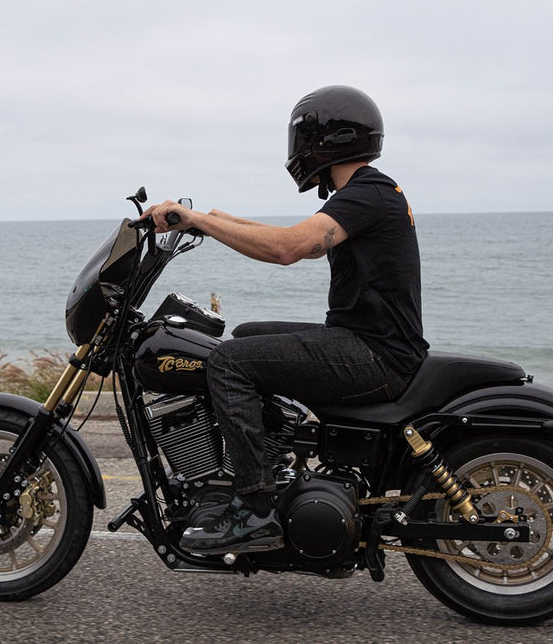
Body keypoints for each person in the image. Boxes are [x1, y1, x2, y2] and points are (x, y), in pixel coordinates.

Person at [141, 85, 428, 555]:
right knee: (245, 336)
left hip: (375, 355)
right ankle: (271, 460)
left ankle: (254, 508)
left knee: (229, 362)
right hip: (370, 343)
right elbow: (295, 237)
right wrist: (224, 220)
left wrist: (196, 220)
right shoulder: (369, 191)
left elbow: (288, 248)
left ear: (326, 140)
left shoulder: (368, 193)